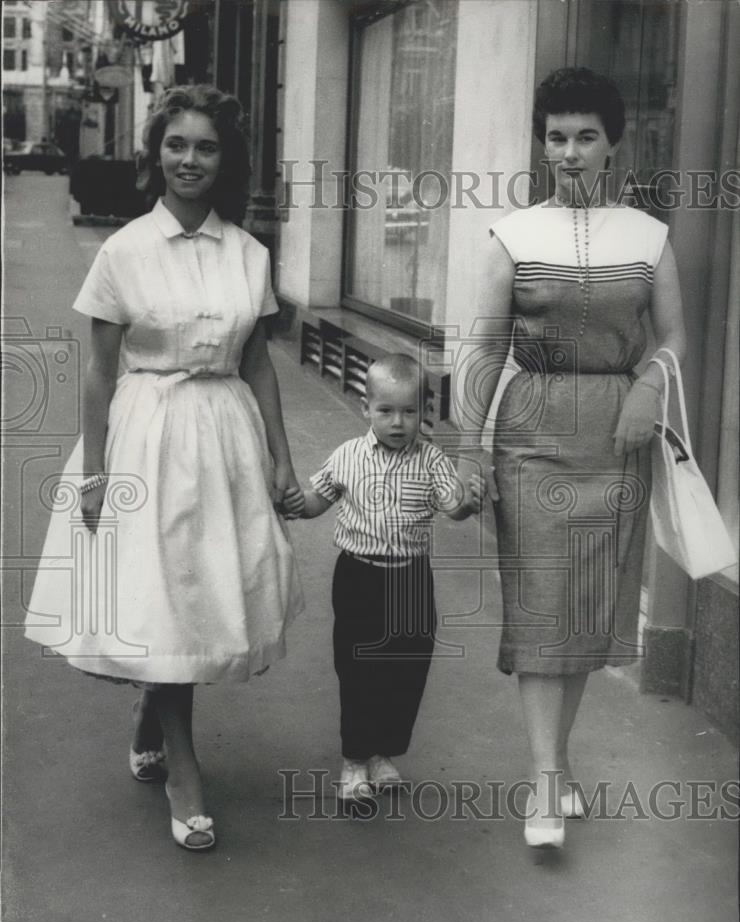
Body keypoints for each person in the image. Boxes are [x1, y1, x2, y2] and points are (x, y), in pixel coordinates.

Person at [25, 84, 304, 850]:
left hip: (224, 439)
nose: (189, 159)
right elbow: (98, 372)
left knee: (201, 593)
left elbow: (259, 363)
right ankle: (184, 768)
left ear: (225, 159)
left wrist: (282, 460)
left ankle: (153, 707)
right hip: (146, 436)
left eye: (205, 146)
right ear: (157, 154)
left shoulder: (248, 253)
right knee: (164, 589)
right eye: (176, 145)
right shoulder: (124, 251)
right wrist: (92, 476)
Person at [453, 67, 687, 849]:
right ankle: (545, 780)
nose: (571, 151)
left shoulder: (648, 237)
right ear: (542, 143)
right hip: (533, 433)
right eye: (557, 137)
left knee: (586, 607)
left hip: (618, 438)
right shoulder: (515, 235)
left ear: (615, 143)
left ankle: (555, 761)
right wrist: (467, 449)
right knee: (543, 604)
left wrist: (650, 386)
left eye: (587, 136)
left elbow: (675, 336)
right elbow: (484, 347)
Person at [284, 354, 485, 800]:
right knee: (357, 669)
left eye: (409, 412)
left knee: (406, 669)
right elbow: (320, 497)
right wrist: (298, 504)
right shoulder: (348, 456)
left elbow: (452, 508)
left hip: (411, 580)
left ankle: (382, 754)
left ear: (424, 412)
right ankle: (355, 760)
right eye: (386, 411)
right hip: (359, 576)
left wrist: (468, 502)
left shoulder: (432, 460)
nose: (398, 422)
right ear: (366, 407)